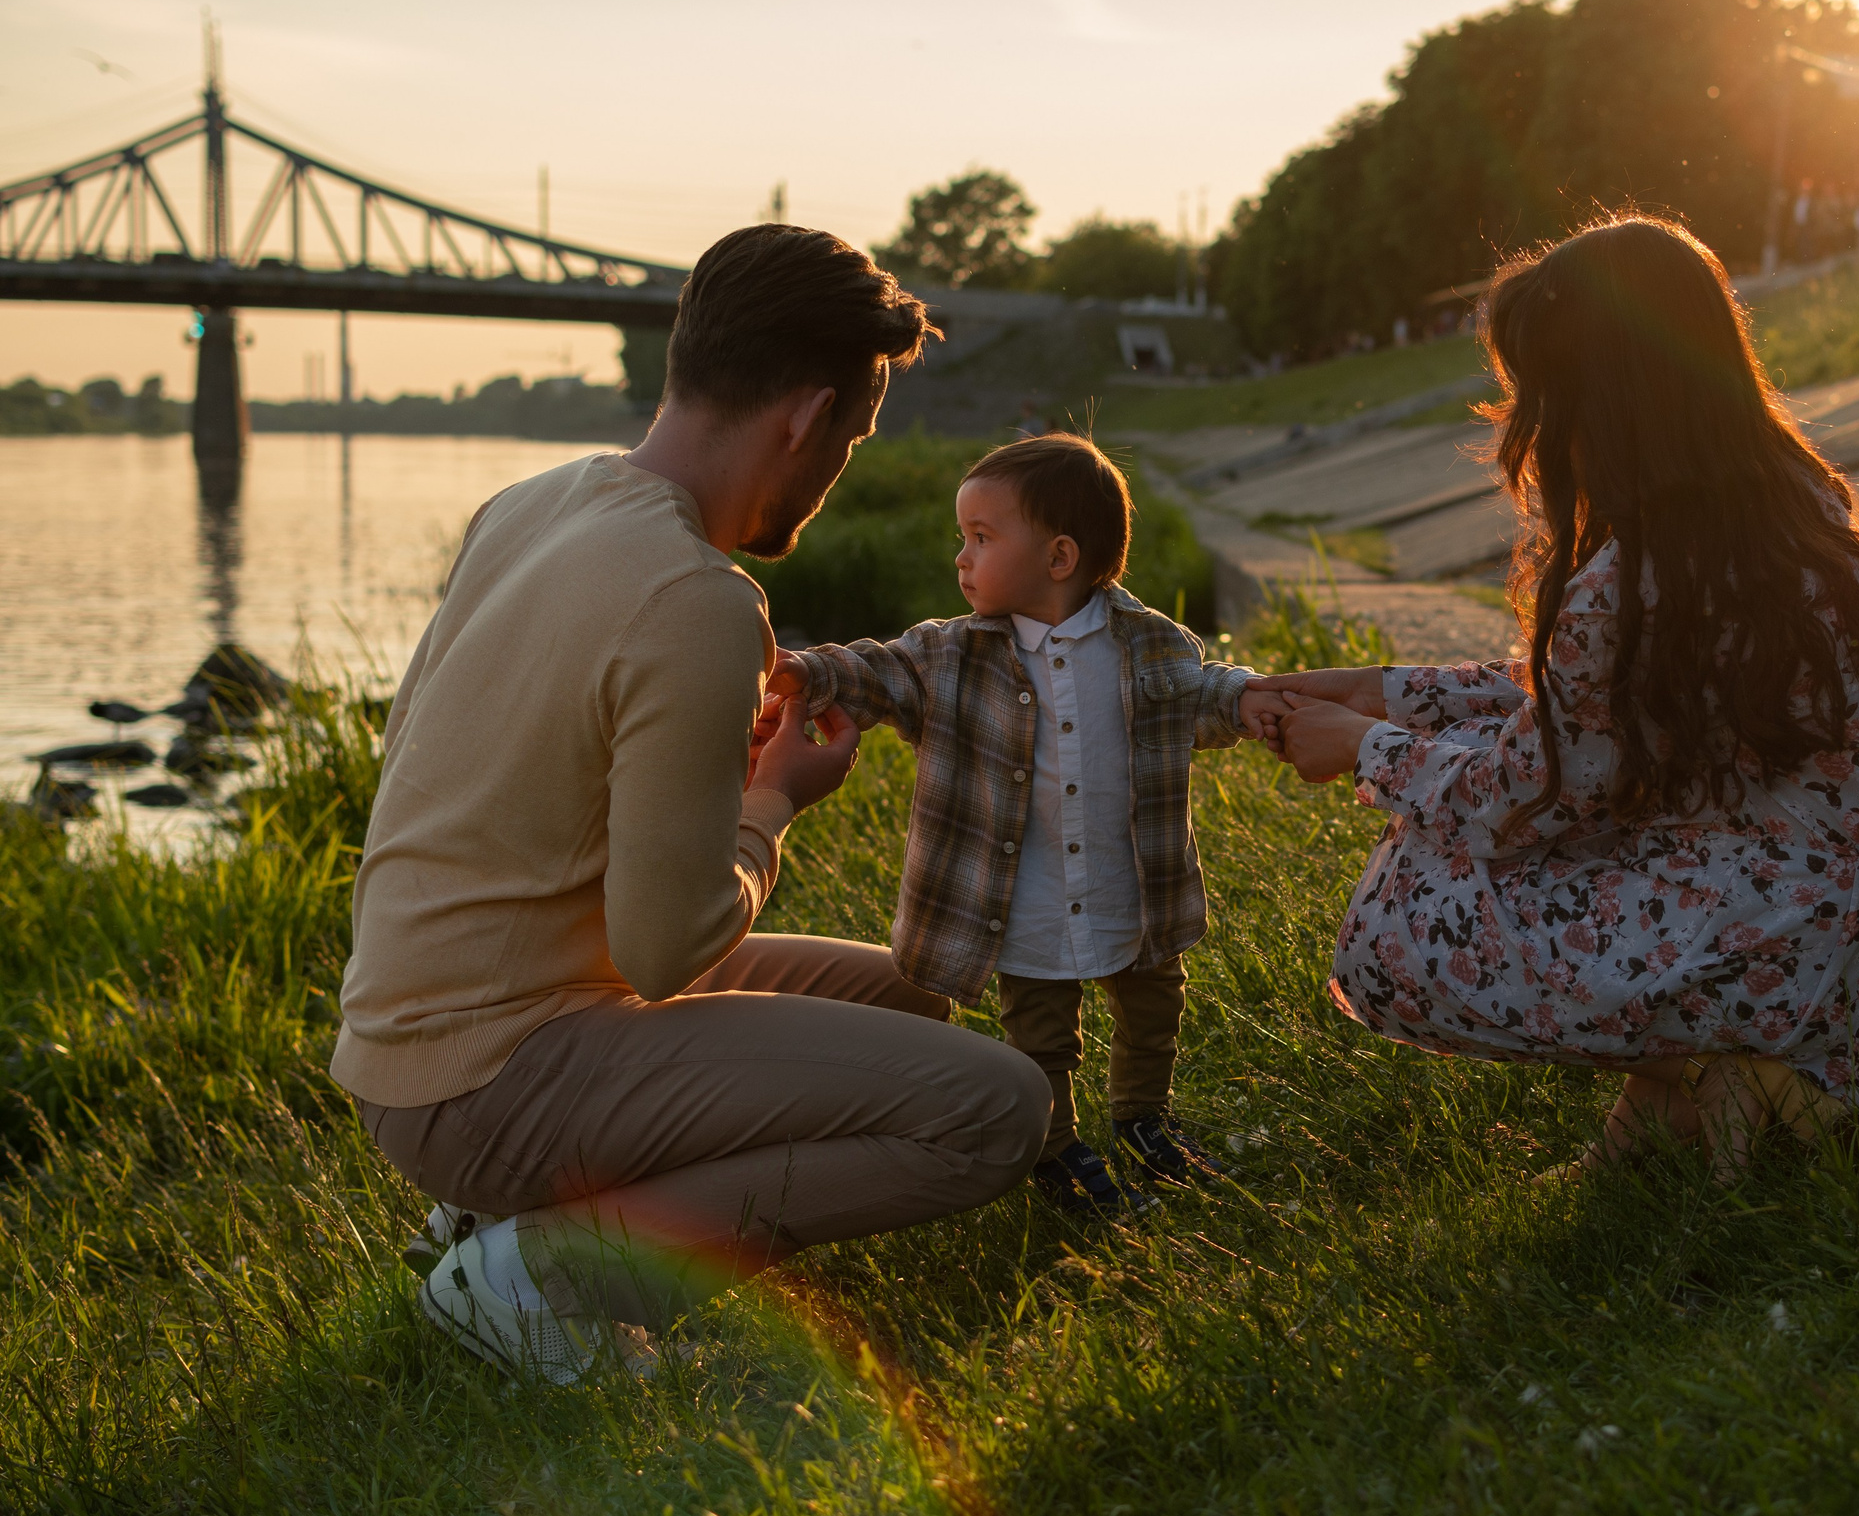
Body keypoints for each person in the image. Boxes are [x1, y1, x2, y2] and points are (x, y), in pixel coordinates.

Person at [337, 225, 1051, 1383]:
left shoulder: (531, 504)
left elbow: (443, 752)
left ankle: (487, 1219)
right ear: (807, 417)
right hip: (485, 1083)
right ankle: (543, 1275)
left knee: (914, 993)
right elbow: (665, 952)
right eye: (855, 439)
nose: (837, 473)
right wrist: (773, 802)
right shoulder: (697, 598)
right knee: (994, 1110)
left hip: (407, 1037)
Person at [1261, 216, 1859, 1181]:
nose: (1526, 423)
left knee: (1408, 900)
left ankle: (1752, 1079)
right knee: (1542, 817)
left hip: (1781, 951)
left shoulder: (1631, 581)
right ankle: (1677, 1116)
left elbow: (1514, 799)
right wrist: (1383, 691)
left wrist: (1362, 747)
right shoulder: (1792, 497)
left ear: (1591, 399)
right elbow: (1591, 709)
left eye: (1534, 393)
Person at [770, 435, 1282, 1215]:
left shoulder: (1150, 643)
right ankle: (1056, 1147)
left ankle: (1144, 1118)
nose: (961, 557)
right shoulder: (949, 654)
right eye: (962, 537)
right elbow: (876, 670)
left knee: (1153, 1010)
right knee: (1042, 1034)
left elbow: (1198, 695)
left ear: (1059, 556)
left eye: (982, 537)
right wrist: (808, 671)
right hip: (1023, 897)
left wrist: (1249, 701)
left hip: (1132, 884)